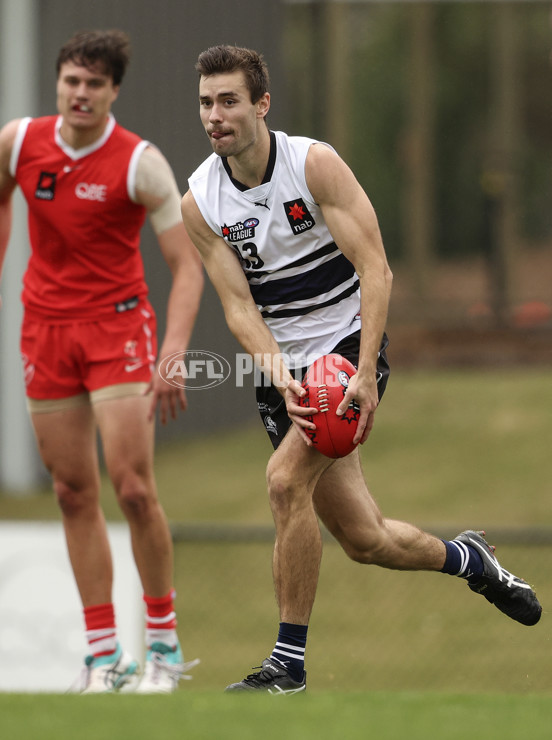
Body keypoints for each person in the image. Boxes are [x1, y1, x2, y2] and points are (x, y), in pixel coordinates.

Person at [181, 44, 542, 694]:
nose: (215, 114)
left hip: (348, 352)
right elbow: (238, 307)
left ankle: (287, 666)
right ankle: (471, 560)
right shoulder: (200, 202)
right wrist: (278, 373)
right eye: (206, 101)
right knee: (365, 539)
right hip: (285, 372)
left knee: (284, 481)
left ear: (262, 104)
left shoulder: (313, 164)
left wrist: (366, 370)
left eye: (229, 100)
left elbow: (375, 267)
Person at [0, 30, 204, 694]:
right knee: (73, 491)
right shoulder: (19, 143)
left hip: (117, 330)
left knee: (132, 488)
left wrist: (175, 351)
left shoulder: (140, 164)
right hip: (45, 330)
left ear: (113, 93)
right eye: (71, 80)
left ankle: (162, 645)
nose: (80, 93)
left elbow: (186, 268)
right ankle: (104, 659)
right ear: (58, 83)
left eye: (93, 85)